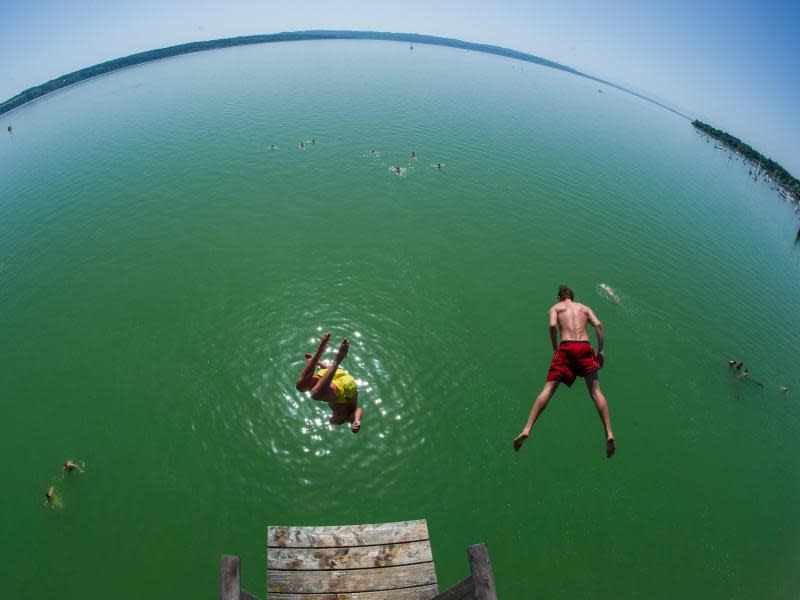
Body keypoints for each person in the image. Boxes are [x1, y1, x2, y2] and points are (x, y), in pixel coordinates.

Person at [513, 285, 616, 458]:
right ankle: (609, 433)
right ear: (573, 298)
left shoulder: (556, 308)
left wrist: (555, 349)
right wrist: (601, 350)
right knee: (596, 392)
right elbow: (598, 325)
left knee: (548, 390)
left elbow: (553, 325)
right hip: (584, 347)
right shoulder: (584, 308)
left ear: (559, 297)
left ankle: (527, 428)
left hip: (566, 347)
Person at [296, 333, 362, 433]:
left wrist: (319, 363)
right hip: (348, 387)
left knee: (301, 387)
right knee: (316, 394)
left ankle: (319, 352)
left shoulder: (335, 410)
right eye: (333, 419)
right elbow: (358, 409)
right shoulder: (346, 418)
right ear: (340, 420)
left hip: (338, 375)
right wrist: (356, 421)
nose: (331, 419)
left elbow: (331, 372)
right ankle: (338, 358)